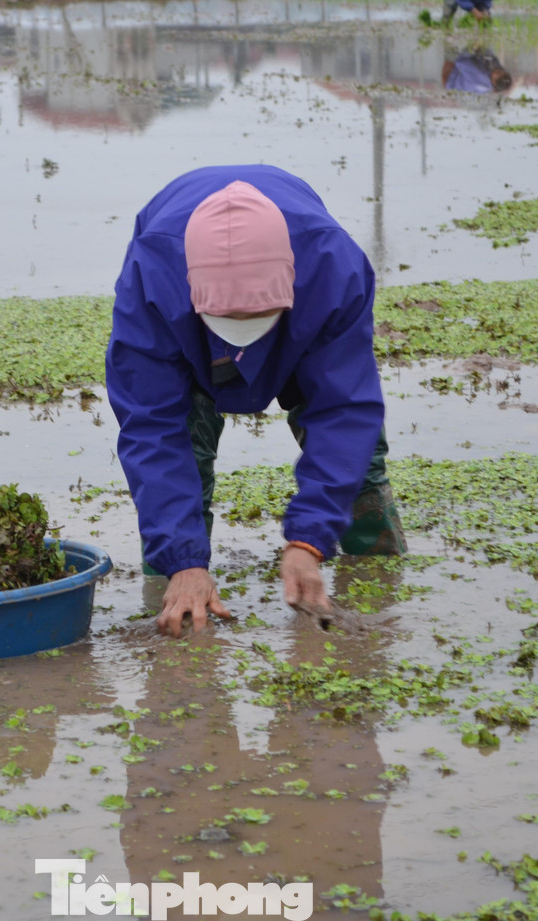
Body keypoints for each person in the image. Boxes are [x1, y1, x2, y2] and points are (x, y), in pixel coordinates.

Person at [105, 165, 407, 639]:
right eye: (231, 319)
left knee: (361, 459)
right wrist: (184, 560)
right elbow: (150, 426)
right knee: (186, 446)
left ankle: (381, 576)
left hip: (302, 322)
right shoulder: (152, 276)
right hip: (187, 335)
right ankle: (177, 593)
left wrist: (308, 541)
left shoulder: (333, 268)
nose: (243, 332)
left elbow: (343, 410)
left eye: (255, 316)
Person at [442, 46, 514, 94]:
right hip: (465, 79)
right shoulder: (493, 81)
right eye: (502, 70)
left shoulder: (479, 74)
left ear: (494, 82)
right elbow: (490, 56)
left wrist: (473, 48)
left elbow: (460, 61)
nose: (498, 69)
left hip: (450, 78)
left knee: (451, 47)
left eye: (498, 72)